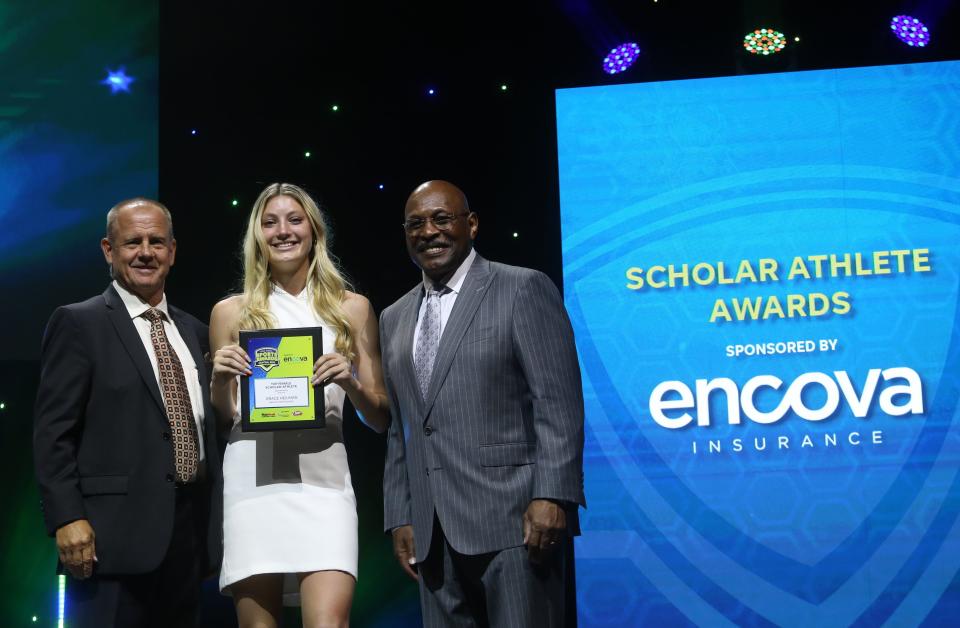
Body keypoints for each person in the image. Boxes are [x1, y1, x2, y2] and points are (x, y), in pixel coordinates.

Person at [380, 180, 586, 627]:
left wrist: (553, 494)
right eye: (415, 224)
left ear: (471, 225)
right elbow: (402, 426)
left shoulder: (521, 288)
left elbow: (558, 404)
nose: (428, 231)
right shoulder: (393, 316)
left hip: (516, 522)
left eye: (441, 218)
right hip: (433, 533)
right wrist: (401, 515)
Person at [33, 198, 222, 627]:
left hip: (188, 538)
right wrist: (67, 516)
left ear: (172, 251)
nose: (145, 252)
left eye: (157, 242)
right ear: (108, 250)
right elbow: (52, 433)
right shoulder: (78, 323)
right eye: (132, 242)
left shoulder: (194, 330)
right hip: (107, 542)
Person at [209, 182, 389, 628]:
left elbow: (380, 417)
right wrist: (219, 379)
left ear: (314, 230)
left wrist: (350, 383)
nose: (282, 231)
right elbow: (226, 416)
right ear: (257, 235)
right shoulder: (230, 313)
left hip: (324, 483)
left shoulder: (353, 309)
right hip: (254, 482)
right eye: (269, 222)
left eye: (294, 219)